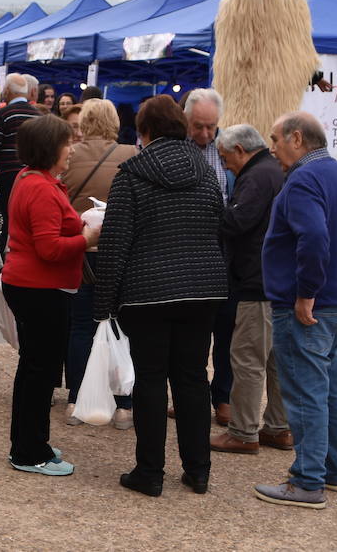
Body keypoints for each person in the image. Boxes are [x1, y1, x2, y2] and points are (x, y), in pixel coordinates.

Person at [93, 95, 225, 496]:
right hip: (202, 291)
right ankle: (198, 470)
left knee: (149, 380)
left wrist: (104, 306)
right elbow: (217, 227)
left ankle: (150, 472)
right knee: (192, 380)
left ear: (143, 132)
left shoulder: (131, 175)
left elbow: (114, 243)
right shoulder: (205, 173)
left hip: (147, 292)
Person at [253, 112, 337, 510]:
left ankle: (307, 481)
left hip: (309, 306)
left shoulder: (303, 178)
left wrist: (305, 293)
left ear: (297, 138)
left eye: (276, 138)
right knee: (330, 390)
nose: (273, 146)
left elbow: (313, 237)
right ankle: (334, 471)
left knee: (305, 393)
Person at [3, 114, 95, 476]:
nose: (70, 150)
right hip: (40, 287)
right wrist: (87, 239)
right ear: (50, 148)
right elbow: (50, 249)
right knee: (39, 372)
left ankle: (30, 443)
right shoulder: (40, 187)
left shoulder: (32, 179)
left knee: (33, 369)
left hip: (33, 285)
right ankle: (30, 452)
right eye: (66, 143)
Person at [211, 123, 290, 456]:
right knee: (274, 361)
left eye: (226, 157)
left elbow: (237, 222)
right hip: (276, 279)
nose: (225, 165)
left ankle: (243, 432)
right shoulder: (273, 172)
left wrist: (212, 212)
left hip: (256, 281)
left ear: (240, 150)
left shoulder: (257, 177)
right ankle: (278, 427)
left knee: (247, 359)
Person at [61, 98, 137, 429]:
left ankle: (78, 399)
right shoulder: (131, 155)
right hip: (121, 256)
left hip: (82, 253)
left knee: (80, 328)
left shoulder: (71, 157)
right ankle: (124, 405)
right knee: (121, 327)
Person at [182, 87, 234, 426]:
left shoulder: (228, 149)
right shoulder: (175, 148)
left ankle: (223, 396)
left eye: (210, 127)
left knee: (226, 331)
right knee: (191, 335)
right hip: (185, 252)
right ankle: (191, 395)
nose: (204, 134)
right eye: (198, 126)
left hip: (222, 252)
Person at [0, 73, 42, 298]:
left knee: (2, 226)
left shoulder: (2, 114)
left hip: (6, 177)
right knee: (27, 226)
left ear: (7, 92)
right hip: (32, 177)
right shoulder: (38, 115)